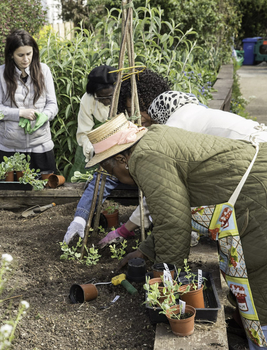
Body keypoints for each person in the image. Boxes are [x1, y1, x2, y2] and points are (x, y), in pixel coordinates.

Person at [89, 113, 267, 349]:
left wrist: (164, 282)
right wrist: (145, 251)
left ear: (122, 159)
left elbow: (173, 223)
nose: (115, 178)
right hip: (252, 189)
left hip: (256, 199)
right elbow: (172, 211)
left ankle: (261, 339)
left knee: (256, 273)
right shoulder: (152, 140)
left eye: (111, 171)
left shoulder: (145, 157)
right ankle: (246, 326)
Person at [98, 90, 267, 247]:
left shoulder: (172, 129)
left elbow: (160, 193)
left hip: (254, 162)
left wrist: (127, 228)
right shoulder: (195, 112)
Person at [63, 69, 171, 244]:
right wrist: (80, 217)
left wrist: (125, 229)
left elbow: (155, 198)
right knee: (101, 179)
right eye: (101, 98)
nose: (107, 101)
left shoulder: (159, 139)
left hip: (136, 160)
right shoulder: (90, 103)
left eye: (142, 109)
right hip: (109, 149)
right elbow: (99, 182)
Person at [0, 29, 58, 174]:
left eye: (29, 54)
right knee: (9, 194)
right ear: (11, 55)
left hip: (41, 146)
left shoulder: (44, 71)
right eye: (20, 55)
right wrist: (20, 113)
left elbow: (52, 104)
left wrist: (45, 115)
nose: (26, 59)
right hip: (8, 148)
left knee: (44, 192)